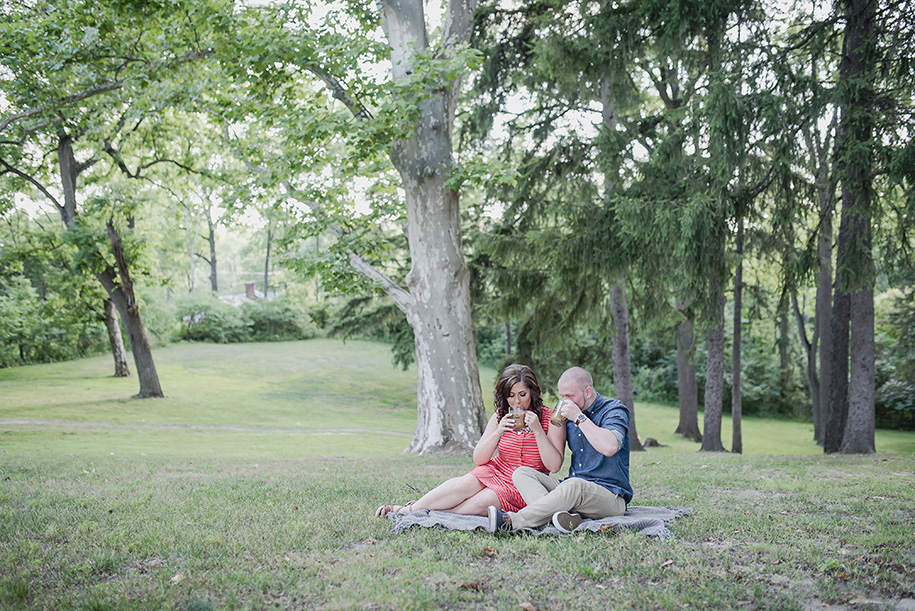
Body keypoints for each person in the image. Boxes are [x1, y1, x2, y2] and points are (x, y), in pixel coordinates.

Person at [375, 364, 565, 517]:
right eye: (511, 396)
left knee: (484, 501)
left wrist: (538, 431)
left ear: (532, 392)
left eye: (522, 395)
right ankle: (409, 510)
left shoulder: (551, 419)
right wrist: (498, 431)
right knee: (462, 485)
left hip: (523, 484)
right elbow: (479, 459)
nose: (517, 402)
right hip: (496, 470)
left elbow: (554, 466)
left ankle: (430, 512)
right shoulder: (500, 416)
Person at [486, 366, 633, 534]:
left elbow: (610, 447)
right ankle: (558, 518)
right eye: (563, 396)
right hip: (572, 489)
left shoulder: (614, 410)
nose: (566, 401)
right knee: (522, 473)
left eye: (570, 396)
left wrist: (578, 417)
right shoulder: (565, 414)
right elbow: (554, 464)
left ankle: (511, 521)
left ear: (588, 392)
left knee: (574, 484)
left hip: (610, 496)